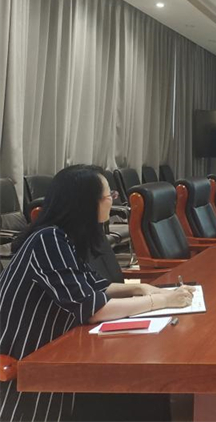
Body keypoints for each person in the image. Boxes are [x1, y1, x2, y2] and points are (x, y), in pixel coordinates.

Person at [0, 165, 195, 422]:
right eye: (108, 196)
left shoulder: (64, 237)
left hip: (56, 352)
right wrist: (161, 300)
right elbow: (93, 309)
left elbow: (94, 285)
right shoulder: (48, 240)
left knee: (143, 392)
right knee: (138, 393)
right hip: (26, 371)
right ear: (86, 203)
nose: (112, 201)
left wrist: (139, 288)